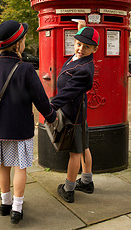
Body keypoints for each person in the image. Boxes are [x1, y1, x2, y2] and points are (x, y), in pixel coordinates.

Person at [0, 20, 56, 224]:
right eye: (23, 40)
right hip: (21, 130)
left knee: (4, 166)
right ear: (17, 45)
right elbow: (41, 99)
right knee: (20, 168)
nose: (24, 43)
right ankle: (17, 208)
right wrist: (51, 117)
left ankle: (5, 203)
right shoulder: (25, 69)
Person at [50, 21, 99, 203]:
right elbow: (79, 47)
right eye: (78, 44)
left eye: (86, 47)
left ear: (94, 49)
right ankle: (87, 181)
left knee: (75, 152)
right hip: (78, 112)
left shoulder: (84, 70)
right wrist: (82, 28)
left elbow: (68, 92)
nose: (80, 49)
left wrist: (51, 108)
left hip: (73, 114)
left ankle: (68, 189)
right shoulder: (78, 58)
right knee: (84, 146)